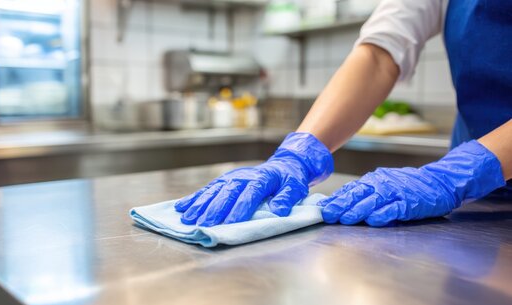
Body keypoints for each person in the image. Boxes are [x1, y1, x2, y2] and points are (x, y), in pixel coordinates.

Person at [175, 0, 512, 228]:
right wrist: (298, 153)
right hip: (478, 203)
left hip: (467, 181)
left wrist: (458, 173)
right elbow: (380, 54)